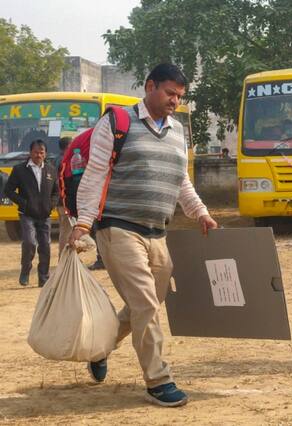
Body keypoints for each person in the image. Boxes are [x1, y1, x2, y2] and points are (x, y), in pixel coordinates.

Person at [68, 63, 218, 407]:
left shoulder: (178, 131)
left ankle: (101, 347)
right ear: (150, 87)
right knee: (146, 303)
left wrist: (200, 212)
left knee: (146, 303)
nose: (175, 101)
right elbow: (95, 174)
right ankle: (158, 380)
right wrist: (84, 222)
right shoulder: (117, 122)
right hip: (119, 228)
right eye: (169, 93)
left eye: (179, 96)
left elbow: (180, 179)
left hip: (158, 232)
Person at [4, 140, 58, 287]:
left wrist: (51, 205)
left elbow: (56, 192)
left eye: (41, 152)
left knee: (45, 246)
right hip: (27, 214)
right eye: (35, 152)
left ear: (45, 153)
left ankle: (43, 277)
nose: (38, 155)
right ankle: (25, 270)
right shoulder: (19, 170)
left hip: (45, 215)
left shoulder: (51, 170)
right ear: (30, 153)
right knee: (29, 242)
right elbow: (8, 190)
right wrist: (24, 203)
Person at [55, 136, 72, 257]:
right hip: (65, 201)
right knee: (67, 231)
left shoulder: (57, 159)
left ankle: (67, 257)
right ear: (68, 147)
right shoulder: (64, 161)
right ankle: (64, 258)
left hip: (60, 201)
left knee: (65, 229)